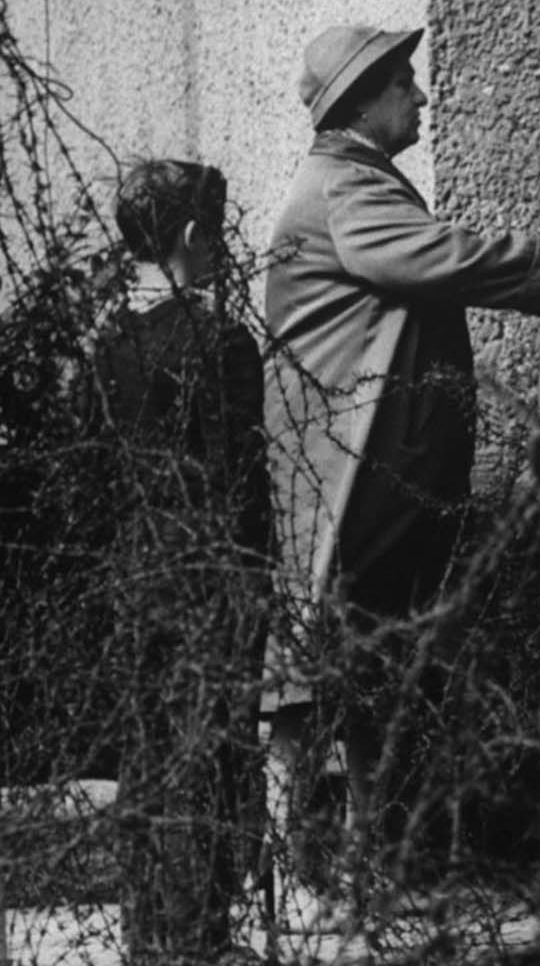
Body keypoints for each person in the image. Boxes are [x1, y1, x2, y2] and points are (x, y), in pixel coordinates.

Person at [261, 23, 540, 925]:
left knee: (367, 658)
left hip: (366, 475)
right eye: (406, 83)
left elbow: (423, 267)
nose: (422, 96)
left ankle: (362, 860)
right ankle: (295, 868)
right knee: (325, 662)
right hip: (346, 477)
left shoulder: (354, 179)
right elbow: (428, 258)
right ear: (362, 102)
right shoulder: (345, 187)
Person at [89, 159, 272, 964]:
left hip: (138, 569)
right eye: (219, 233)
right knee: (214, 749)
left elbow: (99, 481)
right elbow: (242, 478)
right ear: (196, 238)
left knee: (150, 751)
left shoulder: (108, 348)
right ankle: (204, 935)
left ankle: (149, 937)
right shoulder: (221, 343)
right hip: (213, 573)